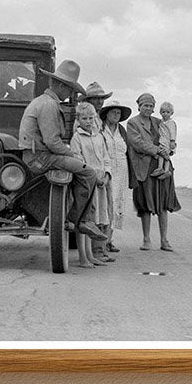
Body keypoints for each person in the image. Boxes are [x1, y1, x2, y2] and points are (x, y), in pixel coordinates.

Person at [17, 60, 105, 240]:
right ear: (58, 85)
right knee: (88, 173)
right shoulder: (49, 105)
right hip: (41, 158)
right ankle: (78, 220)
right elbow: (52, 142)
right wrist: (72, 154)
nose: (71, 93)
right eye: (69, 88)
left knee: (79, 168)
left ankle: (76, 217)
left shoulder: (42, 101)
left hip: (37, 155)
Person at [126, 92, 181, 251]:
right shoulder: (133, 123)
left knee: (163, 203)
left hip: (162, 167)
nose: (148, 108)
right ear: (139, 106)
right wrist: (158, 150)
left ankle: (164, 240)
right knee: (145, 205)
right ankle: (146, 239)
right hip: (144, 169)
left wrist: (171, 148)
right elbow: (137, 143)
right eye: (145, 105)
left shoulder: (159, 122)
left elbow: (169, 135)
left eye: (151, 106)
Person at [69, 101, 112, 266]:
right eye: (84, 118)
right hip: (86, 184)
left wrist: (106, 175)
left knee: (94, 219)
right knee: (84, 220)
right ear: (78, 119)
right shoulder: (77, 138)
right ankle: (82, 257)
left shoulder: (99, 136)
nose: (88, 121)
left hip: (101, 183)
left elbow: (106, 157)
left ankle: (91, 255)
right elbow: (78, 160)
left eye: (91, 118)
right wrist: (94, 177)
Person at [99, 99, 132, 252]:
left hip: (122, 170)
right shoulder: (100, 129)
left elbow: (128, 151)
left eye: (118, 113)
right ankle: (100, 242)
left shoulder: (122, 131)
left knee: (118, 203)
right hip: (106, 168)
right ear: (106, 114)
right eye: (113, 112)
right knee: (105, 204)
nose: (116, 115)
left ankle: (109, 240)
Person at [152, 101, 178, 178]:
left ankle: (163, 169)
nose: (165, 114)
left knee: (163, 154)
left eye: (167, 112)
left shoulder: (171, 123)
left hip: (167, 141)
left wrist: (172, 141)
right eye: (163, 112)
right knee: (163, 154)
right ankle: (163, 169)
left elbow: (173, 132)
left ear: (171, 113)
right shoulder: (161, 122)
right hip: (162, 139)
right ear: (160, 112)